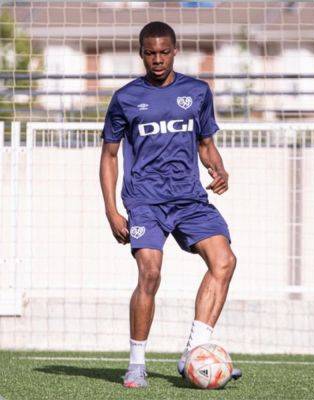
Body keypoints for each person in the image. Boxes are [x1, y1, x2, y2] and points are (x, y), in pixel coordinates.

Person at [99, 21, 241, 388]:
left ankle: (195, 350)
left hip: (189, 198)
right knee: (150, 271)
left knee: (224, 261)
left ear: (175, 50)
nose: (157, 59)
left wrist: (219, 168)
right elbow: (109, 156)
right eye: (150, 53)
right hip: (145, 200)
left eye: (164, 52)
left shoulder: (196, 92)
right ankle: (136, 364)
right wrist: (112, 210)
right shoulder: (126, 98)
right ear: (141, 53)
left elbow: (206, 144)